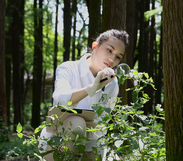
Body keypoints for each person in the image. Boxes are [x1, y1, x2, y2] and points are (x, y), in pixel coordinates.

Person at [39, 29, 129, 161]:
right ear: (95, 46)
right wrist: (91, 88)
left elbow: (103, 121)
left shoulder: (112, 83)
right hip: (57, 142)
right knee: (77, 125)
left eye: (118, 57)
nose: (112, 59)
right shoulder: (68, 68)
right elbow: (61, 100)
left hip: (90, 142)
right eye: (109, 50)